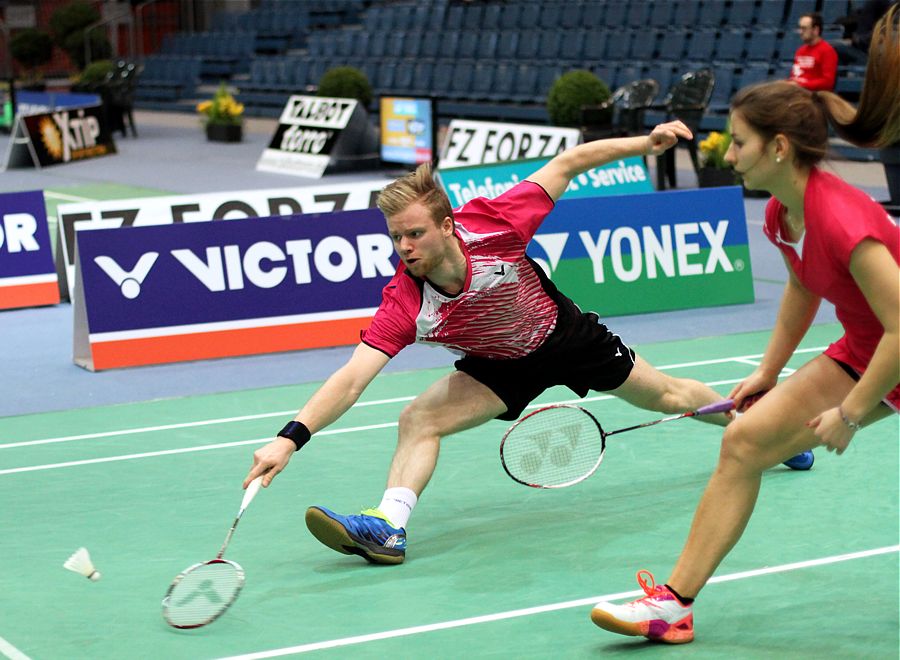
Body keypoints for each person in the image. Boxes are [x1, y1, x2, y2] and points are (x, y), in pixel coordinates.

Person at [242, 120, 742, 565]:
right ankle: (390, 525)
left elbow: (568, 163)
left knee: (671, 396)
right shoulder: (405, 302)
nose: (405, 247)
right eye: (396, 237)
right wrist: (290, 438)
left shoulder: (495, 225)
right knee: (419, 418)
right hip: (501, 365)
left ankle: (755, 429)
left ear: (447, 225)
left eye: (415, 233)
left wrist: (645, 144)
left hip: (565, 337)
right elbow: (351, 379)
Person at [590, 5, 900, 644]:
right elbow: (799, 285)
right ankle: (672, 607)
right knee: (743, 443)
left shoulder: (847, 220)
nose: (727, 153)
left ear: (778, 147)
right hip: (865, 350)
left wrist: (849, 413)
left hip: (889, 349)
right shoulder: (784, 215)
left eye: (737, 141)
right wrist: (767, 369)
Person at [790, 12, 839, 91]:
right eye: (800, 28)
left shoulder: (827, 51)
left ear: (815, 30)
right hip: (799, 94)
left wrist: (801, 85)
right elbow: (794, 76)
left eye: (804, 28)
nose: (800, 32)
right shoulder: (800, 51)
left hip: (816, 97)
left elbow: (828, 82)